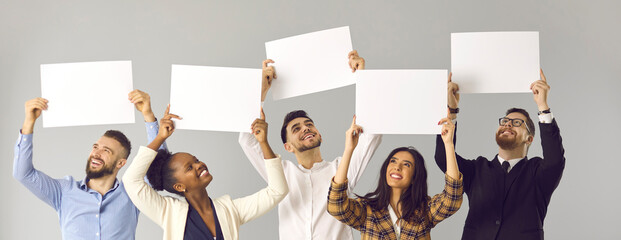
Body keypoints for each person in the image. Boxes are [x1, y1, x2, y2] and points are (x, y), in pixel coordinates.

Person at [238, 50, 383, 240]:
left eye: (309, 125)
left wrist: (362, 77)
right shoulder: (280, 173)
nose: (305, 129)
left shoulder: (341, 169)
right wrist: (262, 92)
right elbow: (246, 141)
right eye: (296, 128)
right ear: (287, 146)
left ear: (319, 135)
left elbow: (372, 136)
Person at [13, 89, 163, 239]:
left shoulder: (132, 193)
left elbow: (159, 166)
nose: (96, 153)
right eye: (95, 147)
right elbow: (23, 174)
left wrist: (148, 115)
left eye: (106, 150)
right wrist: (29, 122)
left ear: (121, 163)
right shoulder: (64, 191)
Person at [434, 70, 566, 240]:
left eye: (517, 123)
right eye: (504, 121)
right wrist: (451, 112)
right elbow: (443, 158)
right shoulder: (477, 169)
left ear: (529, 138)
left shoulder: (538, 172)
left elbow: (555, 160)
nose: (508, 124)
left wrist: (543, 106)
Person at [123, 106, 288, 240]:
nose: (199, 165)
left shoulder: (229, 209)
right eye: (190, 167)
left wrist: (263, 142)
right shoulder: (168, 212)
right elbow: (131, 180)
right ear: (179, 186)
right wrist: (160, 137)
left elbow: (277, 191)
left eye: (196, 160)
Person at [327, 114, 463, 240]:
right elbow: (336, 206)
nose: (397, 167)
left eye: (406, 165)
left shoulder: (424, 211)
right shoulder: (367, 210)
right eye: (393, 161)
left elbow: (452, 199)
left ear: (415, 177)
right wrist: (349, 149)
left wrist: (448, 144)